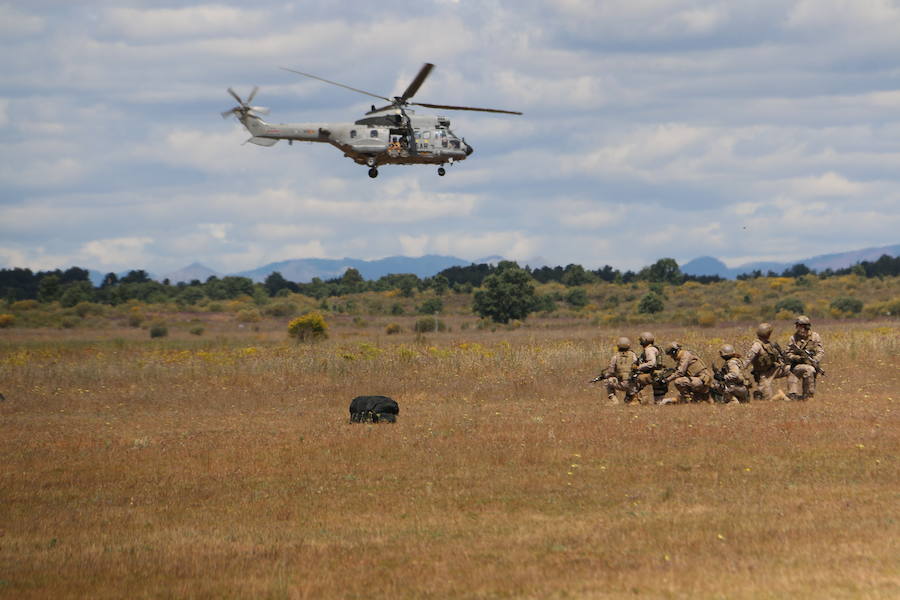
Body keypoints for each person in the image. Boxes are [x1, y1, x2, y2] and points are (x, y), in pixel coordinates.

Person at [742, 322, 788, 400]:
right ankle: (780, 396)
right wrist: (740, 370)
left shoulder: (769, 344)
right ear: (768, 334)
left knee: (791, 369)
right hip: (763, 374)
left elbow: (777, 357)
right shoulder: (757, 345)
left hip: (774, 369)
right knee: (766, 399)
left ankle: (793, 394)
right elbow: (747, 359)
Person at [785, 315, 824, 400]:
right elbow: (788, 353)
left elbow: (820, 351)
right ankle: (794, 395)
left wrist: (814, 360)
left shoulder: (815, 337)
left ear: (804, 326)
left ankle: (807, 396)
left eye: (798, 326)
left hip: (811, 364)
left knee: (810, 369)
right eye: (797, 326)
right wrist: (797, 358)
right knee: (808, 369)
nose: (797, 328)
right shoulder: (793, 338)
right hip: (796, 366)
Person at [596, 337, 638, 405]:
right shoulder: (633, 355)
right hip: (632, 384)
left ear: (618, 346)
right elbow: (637, 367)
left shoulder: (615, 357)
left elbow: (610, 371)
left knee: (607, 381)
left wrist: (605, 376)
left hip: (621, 383)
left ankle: (614, 400)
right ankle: (632, 398)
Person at [633, 331, 666, 404]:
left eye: (641, 340)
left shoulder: (649, 350)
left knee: (635, 379)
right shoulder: (656, 348)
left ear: (644, 340)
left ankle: (643, 398)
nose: (640, 342)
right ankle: (674, 401)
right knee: (659, 402)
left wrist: (638, 367)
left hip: (653, 375)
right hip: (660, 375)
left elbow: (651, 363)